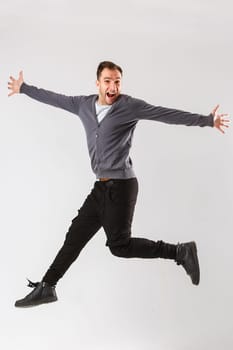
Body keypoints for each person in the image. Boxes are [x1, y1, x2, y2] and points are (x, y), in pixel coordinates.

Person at [8, 61, 229, 308]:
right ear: (98, 83)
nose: (113, 86)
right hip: (100, 188)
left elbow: (165, 113)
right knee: (75, 236)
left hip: (122, 186)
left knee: (120, 246)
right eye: (108, 81)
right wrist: (24, 88)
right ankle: (47, 286)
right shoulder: (83, 105)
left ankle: (179, 252)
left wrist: (207, 121)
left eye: (117, 81)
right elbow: (54, 98)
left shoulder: (129, 106)